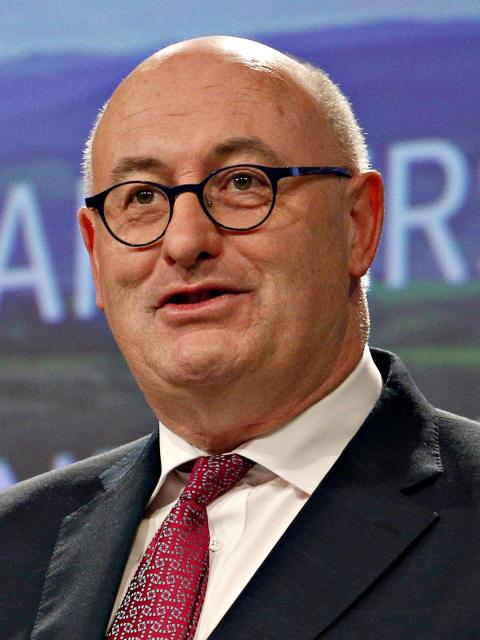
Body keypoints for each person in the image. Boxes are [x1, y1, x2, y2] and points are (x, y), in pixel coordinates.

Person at [1, 35, 479, 640]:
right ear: (95, 256)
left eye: (242, 183)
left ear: (357, 224)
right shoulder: (13, 546)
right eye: (142, 197)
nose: (184, 242)